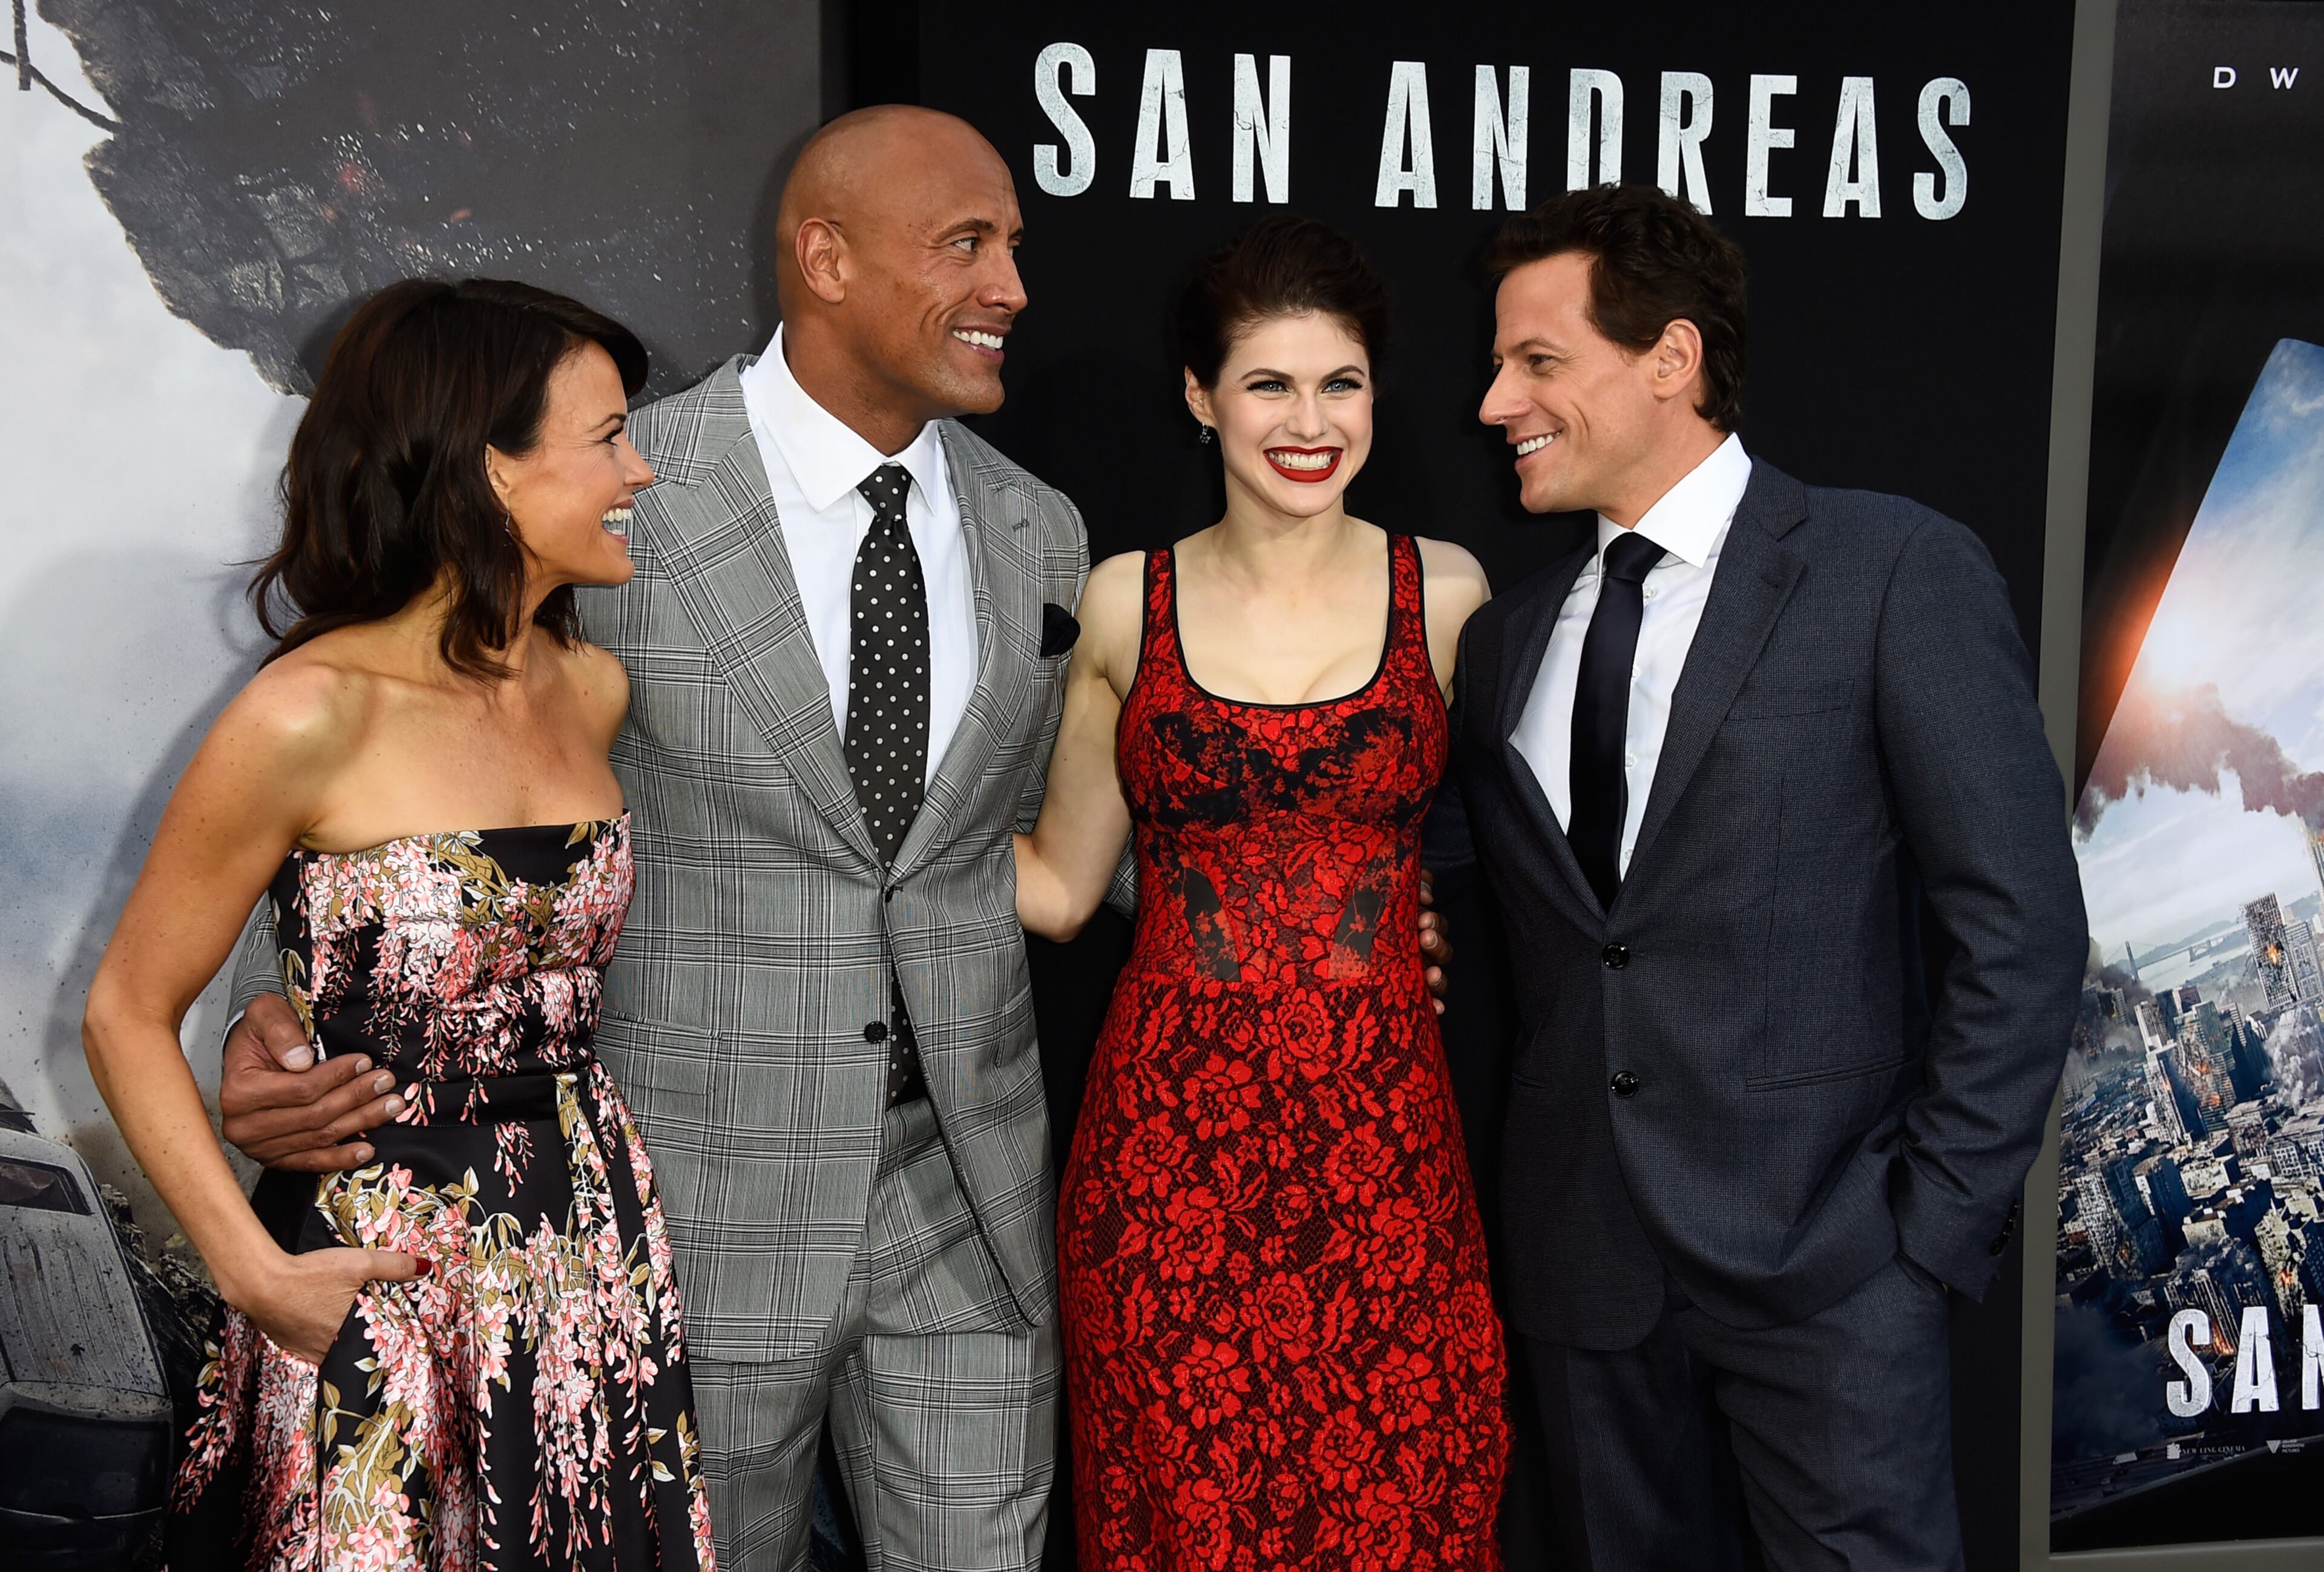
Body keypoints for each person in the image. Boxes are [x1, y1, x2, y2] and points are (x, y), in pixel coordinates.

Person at [211, 109, 1458, 1570]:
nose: (1014, 287)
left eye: (1016, 247)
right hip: (691, 1203)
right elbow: (400, 723)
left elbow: (1051, 825)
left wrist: (1293, 911)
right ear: (826, 257)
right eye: (968, 245)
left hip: (968, 1200)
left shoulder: (1037, 530)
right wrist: (271, 997)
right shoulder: (623, 492)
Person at [1442, 182, 2086, 1570]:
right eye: (1501, 365)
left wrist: (1922, 1243)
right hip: (1583, 1268)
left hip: (1833, 1270)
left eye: (1537, 362)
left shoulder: (1889, 567)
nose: (1496, 401)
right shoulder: (1506, 641)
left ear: (1670, 360)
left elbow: (2021, 929)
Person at [81, 278, 715, 1568]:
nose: (639, 472)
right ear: (490, 469)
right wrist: (256, 1280)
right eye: (605, 439)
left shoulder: (589, 689)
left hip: (583, 1251)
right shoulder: (310, 712)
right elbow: (125, 1010)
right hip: (379, 1268)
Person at [1014, 215, 1506, 1570]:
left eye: (1339, 382)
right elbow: (1059, 886)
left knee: (1406, 1512)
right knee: (1190, 1522)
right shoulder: (1128, 602)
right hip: (1168, 1162)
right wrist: (852, 839)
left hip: (1387, 1155)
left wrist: (1432, 908)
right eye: (1269, 384)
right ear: (1201, 396)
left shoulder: (1447, 595)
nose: (1310, 421)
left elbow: (1523, 843)